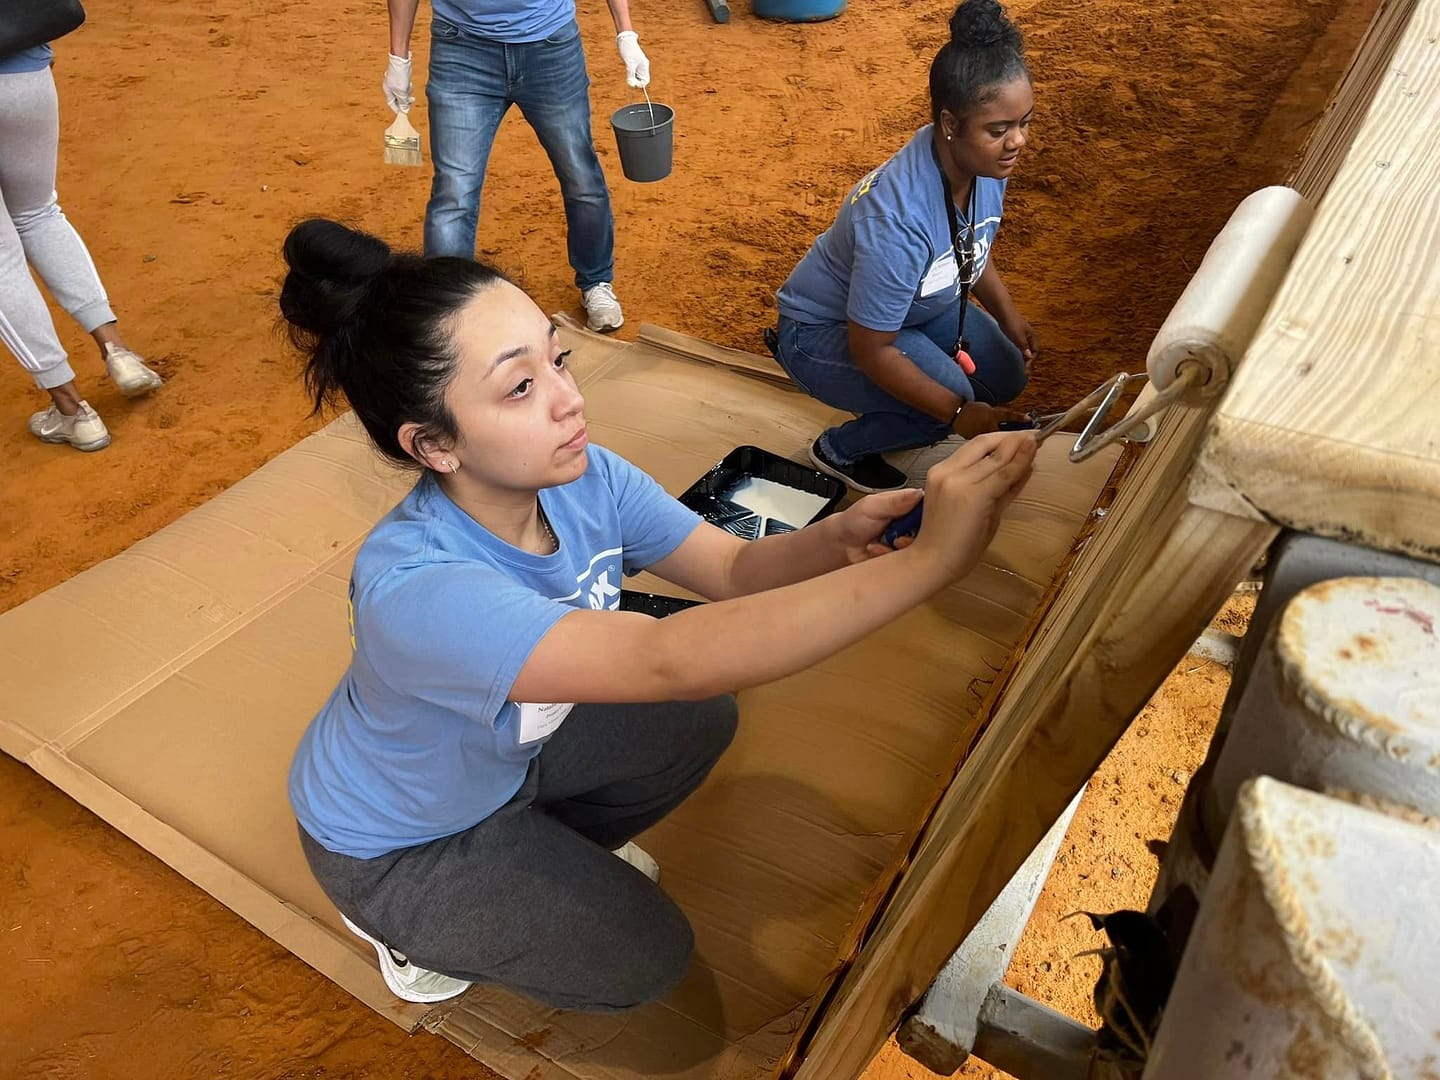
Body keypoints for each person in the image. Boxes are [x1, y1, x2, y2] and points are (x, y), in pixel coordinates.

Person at [278, 218, 1038, 1009]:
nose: (571, 399)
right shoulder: (420, 588)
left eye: (558, 358)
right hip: (404, 840)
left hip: (497, 756)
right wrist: (932, 564)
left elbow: (735, 568)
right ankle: (405, 927)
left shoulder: (583, 478)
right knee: (647, 960)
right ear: (435, 446)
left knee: (696, 717)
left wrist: (842, 538)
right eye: (521, 387)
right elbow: (663, 657)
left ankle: (531, 852)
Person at [770, 0, 1036, 493]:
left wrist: (1007, 314)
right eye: (999, 130)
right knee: (947, 398)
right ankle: (839, 450)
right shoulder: (896, 218)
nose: (1017, 141)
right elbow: (871, 350)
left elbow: (970, 242)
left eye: (1024, 122)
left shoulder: (979, 161)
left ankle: (912, 407)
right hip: (825, 332)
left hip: (911, 307)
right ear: (950, 123)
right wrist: (957, 412)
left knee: (1006, 373)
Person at [383, 0, 649, 333]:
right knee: (454, 191)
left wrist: (626, 32)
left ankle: (596, 282)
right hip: (462, 51)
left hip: (551, 48)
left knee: (581, 177)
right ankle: (447, 311)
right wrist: (398, 56)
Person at [0, 42, 163, 452]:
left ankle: (73, 412)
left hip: (23, 64)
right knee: (39, 213)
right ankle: (118, 351)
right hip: (22, 70)